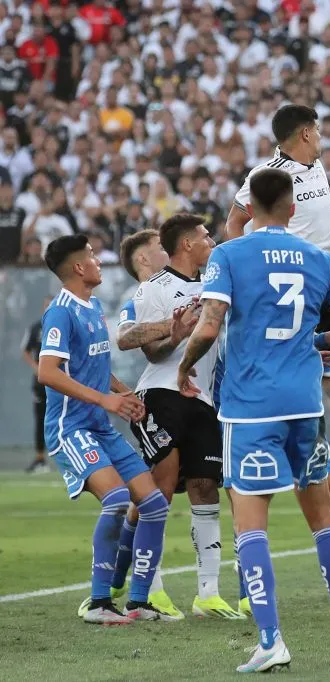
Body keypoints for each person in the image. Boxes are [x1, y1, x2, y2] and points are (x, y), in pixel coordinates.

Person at [176, 167, 330, 672]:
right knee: (323, 520)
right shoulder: (317, 257)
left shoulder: (228, 254)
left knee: (251, 525)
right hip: (305, 405)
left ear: (248, 209)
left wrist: (184, 366)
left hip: (249, 410)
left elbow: (209, 325)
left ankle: (270, 640)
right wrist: (319, 342)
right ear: (294, 209)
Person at [38, 234, 169, 624]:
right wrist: (106, 401)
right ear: (78, 267)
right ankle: (98, 603)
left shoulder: (92, 306)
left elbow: (92, 365)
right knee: (115, 500)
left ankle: (139, 601)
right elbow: (48, 372)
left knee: (155, 504)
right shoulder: (60, 312)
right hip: (71, 428)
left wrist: (122, 392)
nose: (98, 261)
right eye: (93, 256)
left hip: (99, 425)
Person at [126, 214, 241, 619]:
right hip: (161, 391)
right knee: (160, 486)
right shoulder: (155, 288)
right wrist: (172, 335)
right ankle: (149, 588)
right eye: (205, 235)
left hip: (204, 398)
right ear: (188, 244)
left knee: (205, 487)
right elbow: (142, 347)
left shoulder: (218, 280)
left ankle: (207, 593)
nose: (212, 239)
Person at [224, 104, 330, 249]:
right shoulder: (267, 175)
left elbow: (321, 197)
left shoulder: (316, 164)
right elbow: (233, 223)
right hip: (298, 274)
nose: (320, 136)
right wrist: (246, 263)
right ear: (306, 134)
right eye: (317, 129)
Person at [21, 295, 53, 473]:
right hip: (41, 383)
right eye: (45, 305)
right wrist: (37, 368)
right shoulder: (36, 328)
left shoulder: (63, 325)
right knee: (40, 420)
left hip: (61, 382)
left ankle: (70, 459)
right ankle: (40, 459)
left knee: (64, 418)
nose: (48, 308)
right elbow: (25, 350)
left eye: (51, 305)